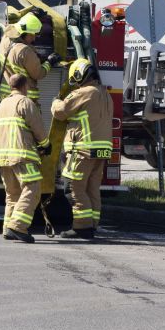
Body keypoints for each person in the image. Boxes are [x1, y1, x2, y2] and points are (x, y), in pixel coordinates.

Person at [51, 58, 113, 239]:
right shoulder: (105, 94)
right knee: (92, 189)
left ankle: (82, 227)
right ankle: (92, 224)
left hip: (83, 149)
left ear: (79, 75)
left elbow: (61, 112)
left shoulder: (83, 93)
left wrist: (55, 101)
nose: (75, 83)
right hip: (101, 150)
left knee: (73, 187)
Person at [0, 73, 50, 243]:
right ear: (25, 86)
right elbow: (38, 128)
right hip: (22, 156)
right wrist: (46, 144)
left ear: (10, 86)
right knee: (33, 188)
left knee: (13, 194)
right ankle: (17, 227)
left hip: (2, 157)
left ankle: (7, 228)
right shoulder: (25, 102)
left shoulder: (1, 105)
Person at [0, 13, 60, 100]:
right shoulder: (25, 51)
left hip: (6, 95)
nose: (34, 39)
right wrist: (49, 62)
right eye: (31, 35)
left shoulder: (5, 39)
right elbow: (38, 74)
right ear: (23, 33)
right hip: (26, 98)